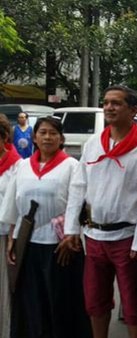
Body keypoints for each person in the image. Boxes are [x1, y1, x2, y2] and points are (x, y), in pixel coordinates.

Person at [62, 85, 137, 338]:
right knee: (95, 301)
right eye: (106, 102)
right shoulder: (94, 143)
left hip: (127, 239)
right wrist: (72, 228)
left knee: (133, 305)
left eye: (116, 103)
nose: (109, 107)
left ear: (133, 110)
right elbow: (79, 186)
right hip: (94, 237)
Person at [0, 116, 90, 338]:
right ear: (34, 137)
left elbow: (78, 202)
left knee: (59, 298)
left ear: (61, 139)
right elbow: (12, 203)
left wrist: (72, 233)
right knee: (30, 297)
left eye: (53, 133)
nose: (47, 137)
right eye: (43, 133)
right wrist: (12, 237)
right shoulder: (23, 166)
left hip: (60, 243)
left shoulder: (72, 166)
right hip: (28, 241)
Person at [0, 114, 21, 338]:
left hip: (4, 234)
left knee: (3, 290)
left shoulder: (17, 166)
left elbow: (18, 204)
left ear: (4, 137)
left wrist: (13, 237)